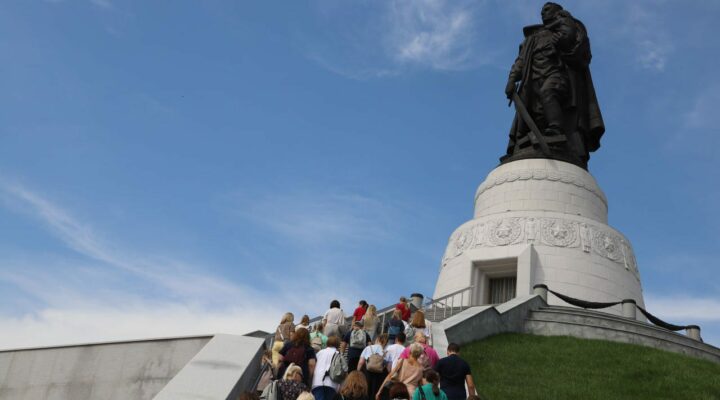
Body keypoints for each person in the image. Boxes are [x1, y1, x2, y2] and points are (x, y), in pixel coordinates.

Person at [502, 2, 604, 169]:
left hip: (557, 76)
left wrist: (563, 42)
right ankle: (521, 145)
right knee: (525, 117)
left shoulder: (566, 26)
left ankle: (556, 130)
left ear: (558, 12)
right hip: (531, 82)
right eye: (542, 10)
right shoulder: (532, 39)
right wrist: (512, 80)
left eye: (547, 9)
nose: (543, 12)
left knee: (548, 92)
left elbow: (577, 46)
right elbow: (520, 62)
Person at [357, 334, 389, 399]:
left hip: (367, 372)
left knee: (366, 391)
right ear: (385, 343)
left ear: (377, 339)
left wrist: (358, 372)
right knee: (375, 392)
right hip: (379, 375)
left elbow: (361, 362)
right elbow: (388, 367)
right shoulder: (385, 352)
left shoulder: (368, 348)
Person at [312, 336, 342, 400]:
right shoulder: (339, 355)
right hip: (332, 383)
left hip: (317, 381)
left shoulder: (320, 353)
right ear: (338, 344)